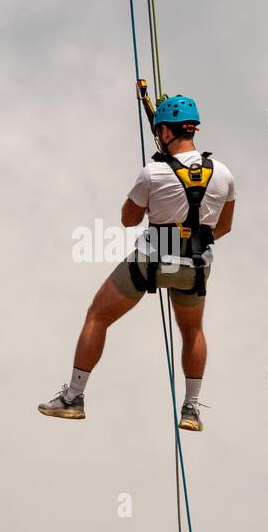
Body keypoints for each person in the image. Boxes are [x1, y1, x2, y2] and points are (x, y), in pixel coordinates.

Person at [38, 95, 235, 431]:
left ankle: (74, 397)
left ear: (165, 132)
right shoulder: (223, 173)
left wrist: (157, 199)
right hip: (196, 268)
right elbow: (224, 226)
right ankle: (191, 409)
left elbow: (128, 219)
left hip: (151, 261)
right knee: (192, 331)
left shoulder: (153, 173)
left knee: (97, 316)